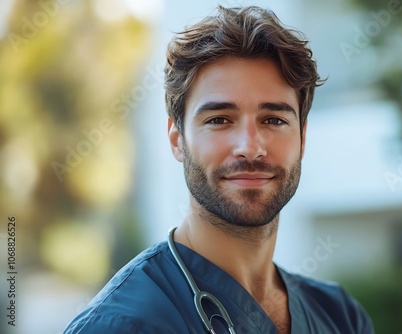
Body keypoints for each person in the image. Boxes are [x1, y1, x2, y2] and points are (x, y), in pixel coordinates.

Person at [64, 5, 373, 334]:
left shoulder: (340, 316)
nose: (250, 146)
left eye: (274, 119)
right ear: (177, 140)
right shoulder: (120, 325)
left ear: (302, 137)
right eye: (219, 120)